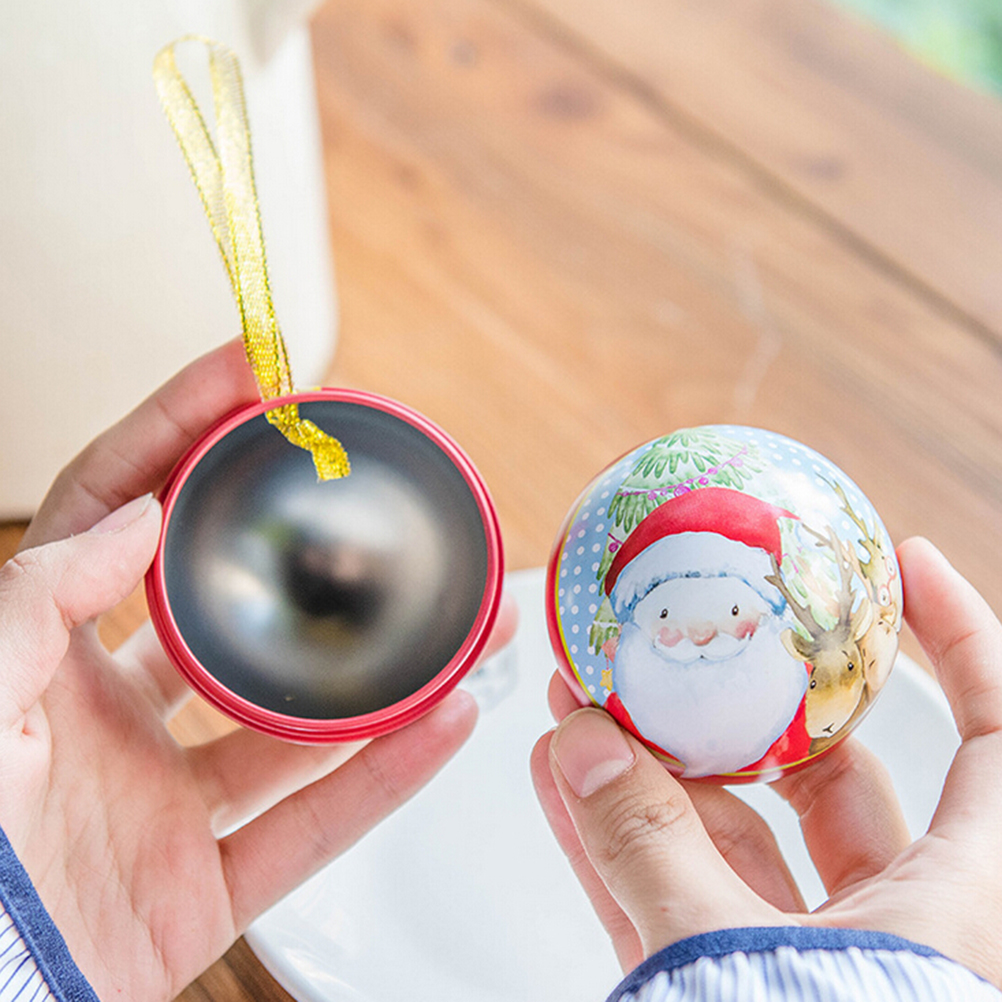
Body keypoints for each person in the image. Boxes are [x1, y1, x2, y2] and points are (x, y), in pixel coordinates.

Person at [1, 342, 1000, 1002]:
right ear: (632, 617)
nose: (700, 638)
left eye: (732, 616)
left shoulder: (801, 667)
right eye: (670, 616)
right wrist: (33, 929)